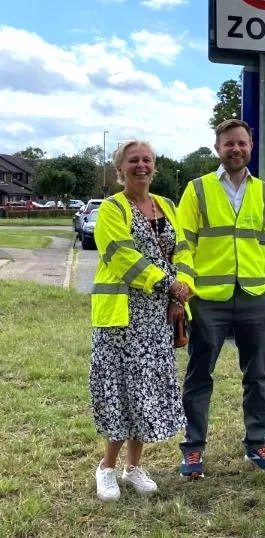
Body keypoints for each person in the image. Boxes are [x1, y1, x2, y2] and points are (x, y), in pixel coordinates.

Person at [177, 118, 265, 478]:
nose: (236, 149)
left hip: (257, 296)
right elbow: (184, 244)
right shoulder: (196, 190)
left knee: (257, 374)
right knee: (199, 374)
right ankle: (193, 449)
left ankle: (257, 444)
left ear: (250, 147)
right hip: (208, 298)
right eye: (229, 144)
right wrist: (186, 288)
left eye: (242, 143)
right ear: (218, 149)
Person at [90, 140, 194, 502]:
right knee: (119, 390)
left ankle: (133, 468)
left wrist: (184, 288)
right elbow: (122, 257)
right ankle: (106, 467)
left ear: (154, 166)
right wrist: (169, 285)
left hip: (158, 317)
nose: (141, 165)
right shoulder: (111, 209)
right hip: (122, 318)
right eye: (133, 160)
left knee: (145, 391)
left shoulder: (167, 206)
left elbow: (184, 251)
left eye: (147, 160)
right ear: (120, 169)